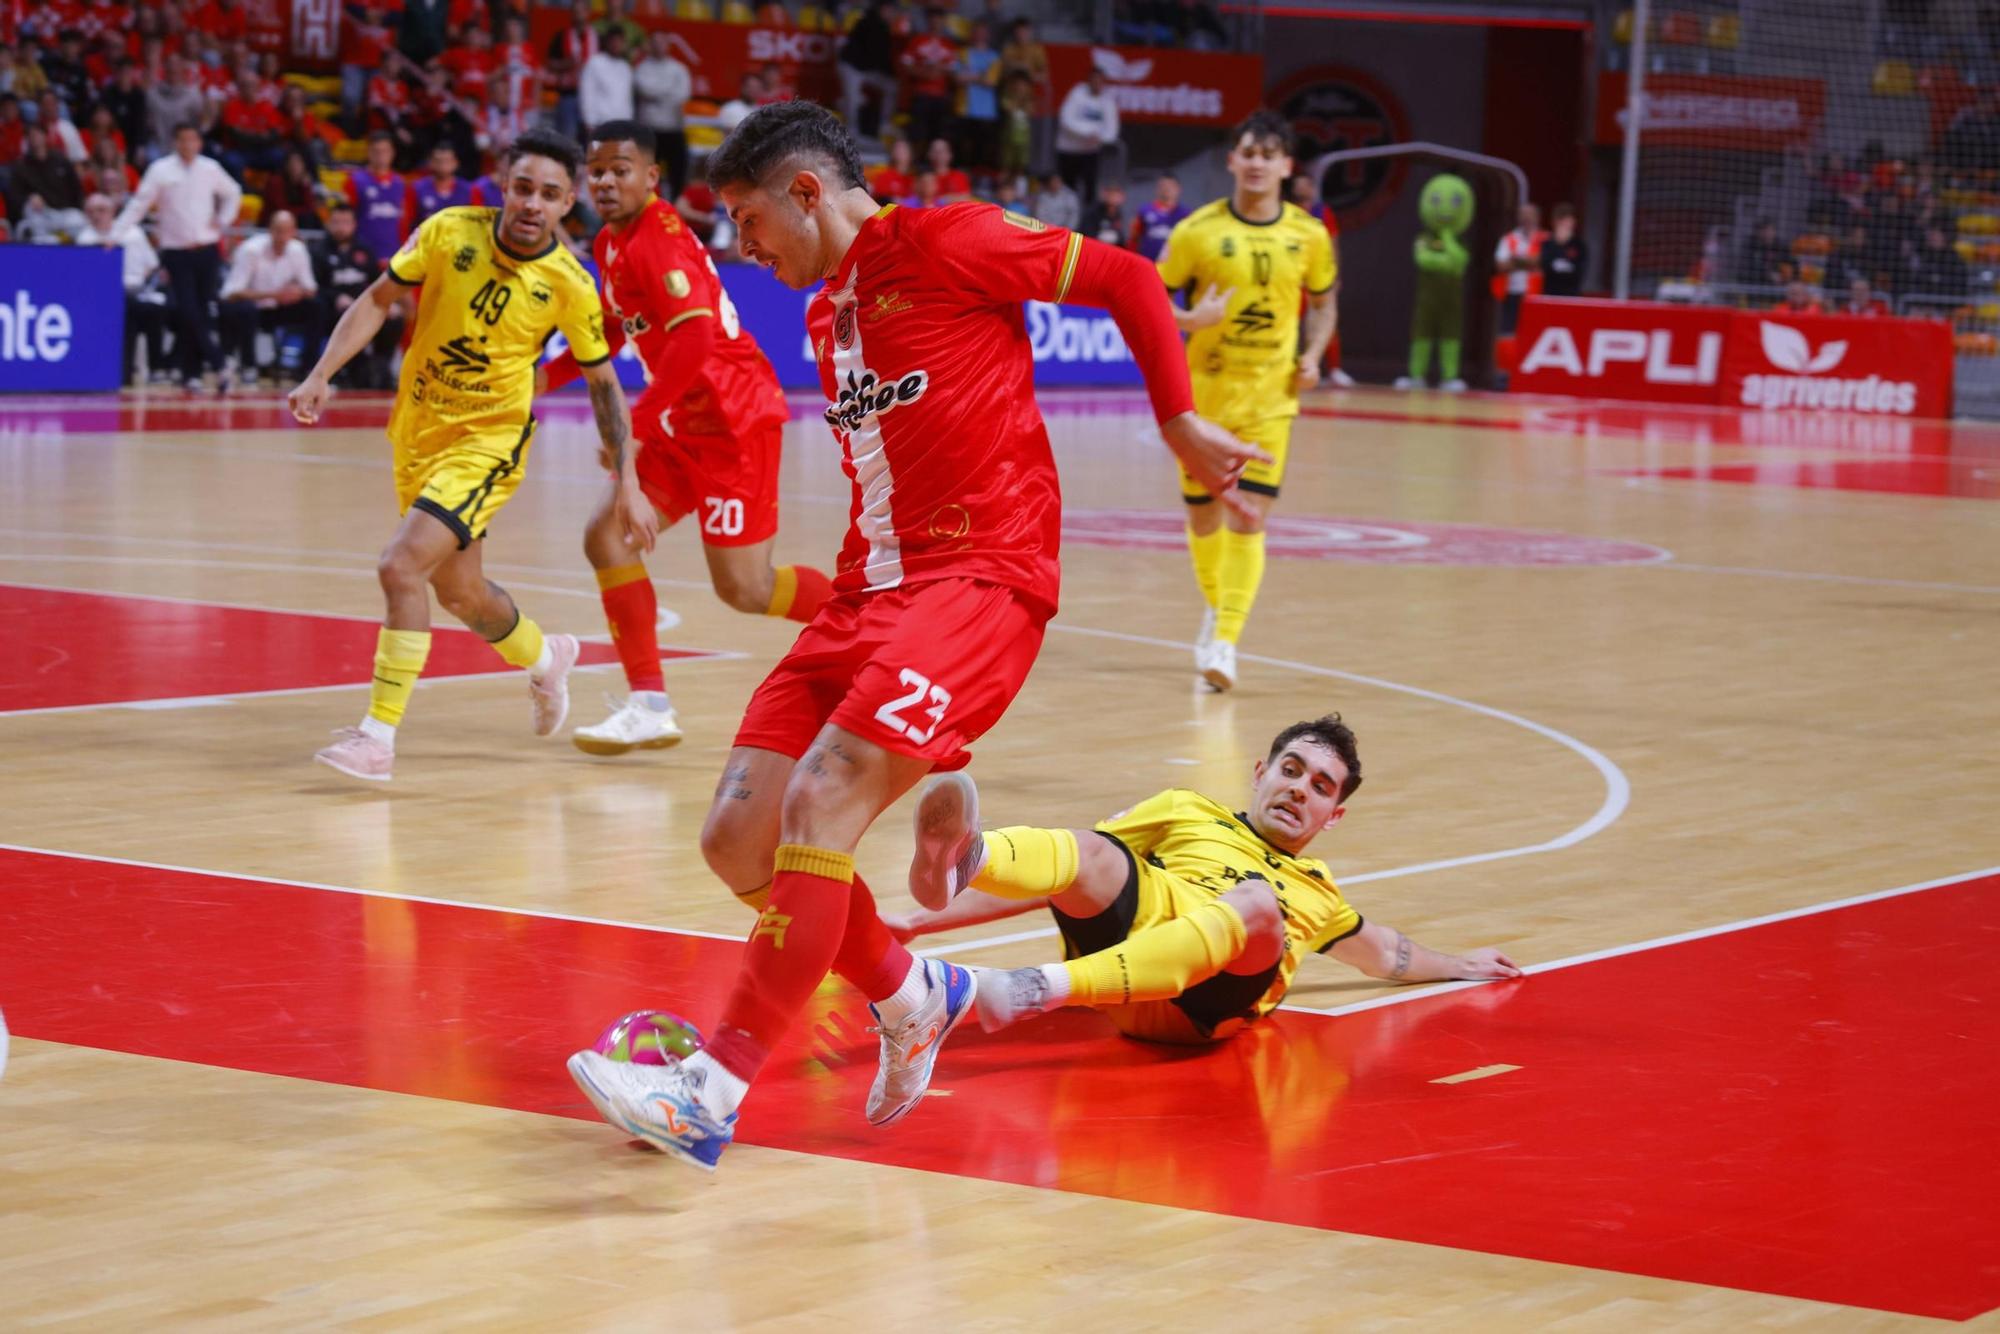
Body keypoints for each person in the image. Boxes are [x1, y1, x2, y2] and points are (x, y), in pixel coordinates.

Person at [563, 100, 1266, 1172]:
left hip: (983, 579)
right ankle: (910, 993)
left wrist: (1175, 419)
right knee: (735, 841)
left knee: (820, 798)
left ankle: (711, 1087)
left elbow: (1126, 278)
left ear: (806, 192)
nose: (740, 247)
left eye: (748, 221)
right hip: (866, 596)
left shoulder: (945, 240)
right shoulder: (819, 316)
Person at [286, 128, 649, 783]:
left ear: (569, 204)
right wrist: (321, 372)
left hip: (488, 444)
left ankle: (377, 737)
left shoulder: (569, 283)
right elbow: (377, 298)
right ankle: (545, 659)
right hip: (416, 430)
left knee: (401, 567)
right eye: (523, 188)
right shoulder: (448, 231)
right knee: (460, 591)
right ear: (503, 187)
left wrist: (626, 477)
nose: (532, 204)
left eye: (549, 194)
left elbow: (603, 382)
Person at [888, 716, 1522, 1044]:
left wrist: (1463, 964)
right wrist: (920, 921)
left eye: (1319, 787)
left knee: (1255, 904)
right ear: (1259, 771)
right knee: (1094, 847)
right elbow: (1060, 878)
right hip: (1131, 966)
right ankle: (970, 856)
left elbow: (1385, 953)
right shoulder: (1186, 809)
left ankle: (1033, 988)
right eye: (1291, 770)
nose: (1299, 788)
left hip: (1204, 1008)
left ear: (1334, 816)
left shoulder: (1318, 891)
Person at [537, 121, 832, 754]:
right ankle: (649, 705)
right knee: (607, 538)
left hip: (732, 421)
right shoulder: (613, 243)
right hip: (681, 423)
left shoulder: (658, 240)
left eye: (620, 169)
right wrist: (541, 378)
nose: (605, 181)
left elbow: (696, 342)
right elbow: (612, 332)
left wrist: (630, 433)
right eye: (597, 172)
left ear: (651, 176)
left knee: (745, 589)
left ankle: (873, 627)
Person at [1158, 110, 1336, 691]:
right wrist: (1192, 317)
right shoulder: (1196, 232)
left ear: (1286, 165)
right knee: (1204, 518)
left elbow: (1324, 304)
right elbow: (1149, 302)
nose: (1257, 163)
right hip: (1203, 402)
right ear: (1232, 161)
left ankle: (1227, 641)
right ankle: (1217, 608)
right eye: (1247, 152)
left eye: (1269, 153)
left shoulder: (1310, 236)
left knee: (1250, 518)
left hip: (1270, 401)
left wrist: (1312, 356)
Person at [114, 122, 242, 393]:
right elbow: (139, 204)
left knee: (202, 313)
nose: (187, 145)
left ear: (199, 143)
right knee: (187, 310)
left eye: (192, 140)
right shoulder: (160, 170)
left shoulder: (210, 168)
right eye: (182, 140)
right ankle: (220, 363)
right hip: (176, 251)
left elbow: (233, 193)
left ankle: (191, 373)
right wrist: (116, 234)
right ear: (175, 142)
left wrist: (223, 220)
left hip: (207, 249)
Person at [77, 191, 167, 386]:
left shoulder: (133, 233)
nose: (96, 215)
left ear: (113, 211)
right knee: (127, 312)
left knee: (155, 311)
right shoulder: (85, 239)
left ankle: (157, 369)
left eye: (101, 210)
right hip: (102, 298)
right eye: (91, 211)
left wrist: (138, 282)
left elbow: (151, 264)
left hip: (135, 290)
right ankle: (123, 371)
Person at [312, 201, 404, 388]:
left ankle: (382, 365)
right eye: (336, 222)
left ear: (354, 225)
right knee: (338, 314)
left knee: (395, 317)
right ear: (329, 224)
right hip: (333, 309)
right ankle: (347, 370)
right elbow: (314, 286)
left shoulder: (364, 250)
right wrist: (336, 297)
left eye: (346, 222)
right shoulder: (318, 251)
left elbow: (378, 281)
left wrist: (389, 301)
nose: (341, 228)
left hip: (363, 305)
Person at [632, 28, 691, 196]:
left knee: (678, 172)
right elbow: (644, 89)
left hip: (674, 128)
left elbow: (682, 95)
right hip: (650, 129)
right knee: (647, 172)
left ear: (668, 45)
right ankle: (648, 206)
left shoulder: (679, 69)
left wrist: (657, 93)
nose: (659, 46)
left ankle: (676, 206)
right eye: (655, 42)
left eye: (662, 42)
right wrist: (667, 91)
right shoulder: (642, 68)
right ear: (650, 45)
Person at [345, 131, 412, 268]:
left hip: (395, 254)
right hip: (364, 254)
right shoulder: (355, 181)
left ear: (392, 152)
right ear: (368, 152)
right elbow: (348, 218)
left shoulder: (401, 183)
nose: (381, 155)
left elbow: (404, 220)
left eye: (385, 151)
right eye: (376, 151)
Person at [1054, 65, 1118, 204]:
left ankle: (1086, 222)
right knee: (1067, 189)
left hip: (1091, 152)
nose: (1097, 84)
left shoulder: (1108, 100)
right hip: (1069, 150)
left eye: (1100, 81)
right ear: (1088, 80)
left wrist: (1100, 138)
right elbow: (1066, 119)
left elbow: (1111, 130)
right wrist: (1088, 133)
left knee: (1090, 190)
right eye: (1094, 80)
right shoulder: (1077, 93)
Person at [837, 0, 897, 138]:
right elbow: (876, 55)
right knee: (853, 98)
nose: (891, 13)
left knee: (892, 87)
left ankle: (884, 124)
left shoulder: (884, 27)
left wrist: (890, 75)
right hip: (850, 66)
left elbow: (880, 59)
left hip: (867, 69)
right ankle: (851, 129)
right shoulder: (868, 22)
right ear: (881, 9)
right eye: (889, 10)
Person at [1493, 201, 1543, 336]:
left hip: (1536, 295)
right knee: (1508, 333)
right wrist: (1529, 262)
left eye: (1530, 215)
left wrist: (1515, 261)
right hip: (1511, 294)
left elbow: (1543, 262)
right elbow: (1501, 265)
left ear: (1537, 217)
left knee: (1532, 333)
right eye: (1523, 214)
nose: (1526, 218)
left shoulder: (1545, 239)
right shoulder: (1509, 239)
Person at [410, 141, 480, 228]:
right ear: (430, 163)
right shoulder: (417, 188)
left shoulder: (470, 190)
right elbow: (408, 222)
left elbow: (477, 223)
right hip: (427, 240)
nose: (443, 165)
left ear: (456, 163)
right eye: (438, 161)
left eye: (447, 161)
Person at [579, 25, 633, 137]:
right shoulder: (595, 63)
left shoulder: (625, 67)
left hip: (623, 125)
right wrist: (589, 121)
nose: (616, 44)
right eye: (613, 40)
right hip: (600, 124)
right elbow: (587, 93)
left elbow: (627, 99)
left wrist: (629, 122)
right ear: (607, 42)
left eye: (619, 41)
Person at [1129, 172, 1186, 262]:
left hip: (1174, 267)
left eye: (1171, 186)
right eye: (1163, 186)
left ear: (1178, 189)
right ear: (1157, 188)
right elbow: (1134, 239)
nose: (1167, 189)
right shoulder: (1144, 211)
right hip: (1148, 264)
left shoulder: (1186, 214)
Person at [1538, 201, 1585, 298]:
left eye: (1568, 220)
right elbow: (1545, 266)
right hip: (1549, 295)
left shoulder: (1579, 246)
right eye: (1561, 220)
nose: (1564, 224)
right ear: (1555, 222)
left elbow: (1579, 272)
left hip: (1571, 296)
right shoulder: (1547, 244)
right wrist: (1558, 244)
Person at [1078, 177, 1127, 248]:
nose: (1113, 196)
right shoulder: (1092, 212)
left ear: (1122, 197)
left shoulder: (1119, 214)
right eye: (1110, 192)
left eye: (1116, 193)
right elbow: (1085, 236)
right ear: (1103, 194)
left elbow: (1122, 240)